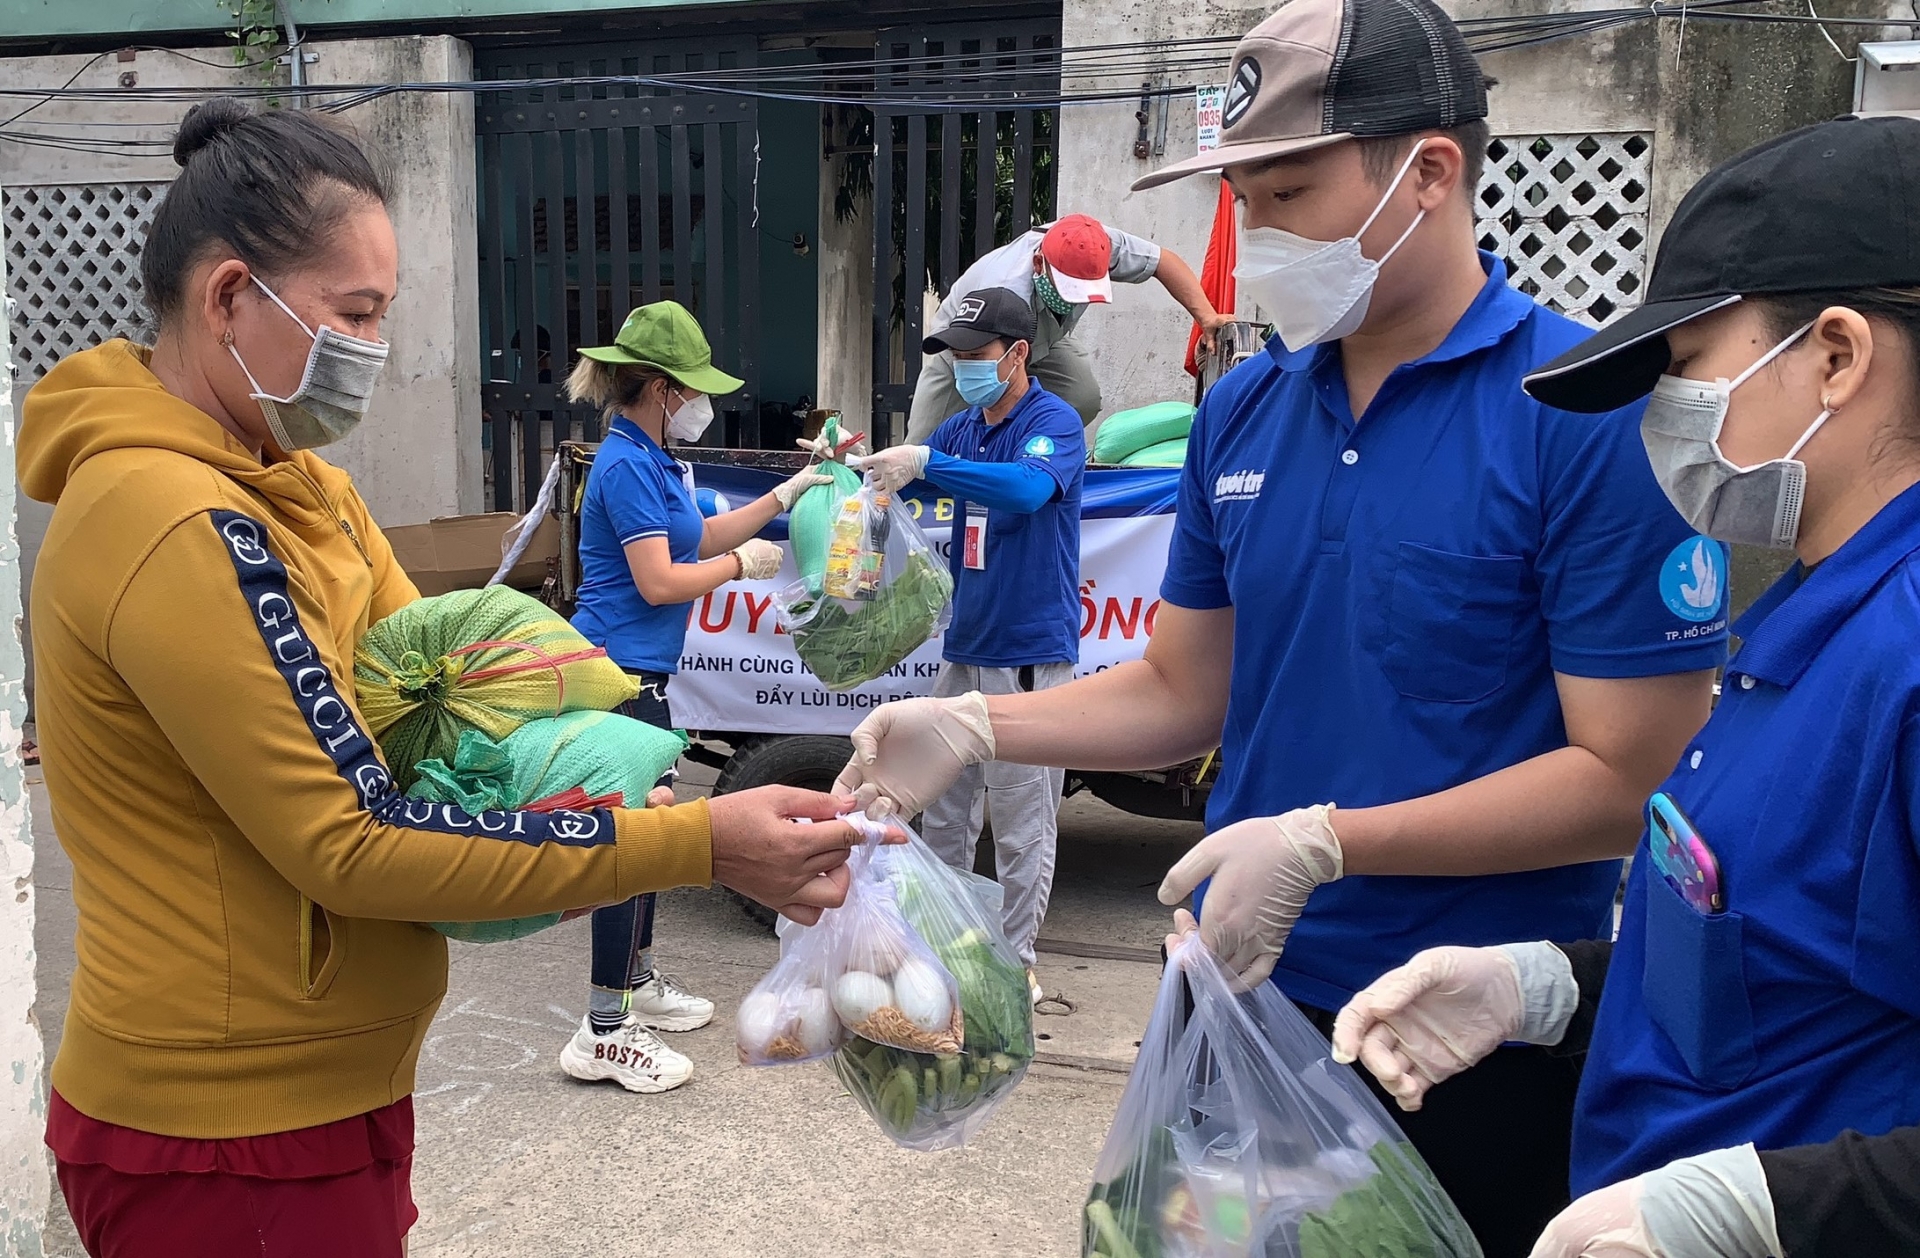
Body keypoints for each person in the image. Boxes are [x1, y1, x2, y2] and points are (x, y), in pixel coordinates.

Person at [833, 1, 1728, 1251]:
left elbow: (1630, 778)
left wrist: (1326, 843)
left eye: (1286, 192)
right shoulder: (1245, 410)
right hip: (1235, 991)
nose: (1253, 235)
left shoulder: (1576, 417)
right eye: (1242, 197)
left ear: (1429, 173)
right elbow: (1182, 686)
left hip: (1455, 1026)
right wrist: (976, 719)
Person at [24, 98, 857, 1258]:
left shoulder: (304, 490)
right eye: (354, 314)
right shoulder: (171, 522)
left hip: (328, 1095)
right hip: (225, 1137)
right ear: (228, 299)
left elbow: (448, 728)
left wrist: (609, 803)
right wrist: (698, 842)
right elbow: (352, 835)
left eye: (383, 314)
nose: (375, 349)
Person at [1332, 114, 1920, 1258]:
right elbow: (1785, 971)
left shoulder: (1903, 654)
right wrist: (1548, 989)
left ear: (1838, 356)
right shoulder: (1805, 610)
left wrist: (1762, 1214)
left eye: (1690, 367)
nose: (1669, 417)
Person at [561, 300, 830, 1092]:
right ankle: (603, 1028)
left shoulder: (649, 458)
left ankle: (637, 981)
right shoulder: (623, 464)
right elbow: (662, 579)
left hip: (645, 674)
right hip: (616, 675)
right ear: (662, 389)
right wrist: (737, 571)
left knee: (652, 825)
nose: (703, 406)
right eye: (694, 389)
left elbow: (699, 539)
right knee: (634, 840)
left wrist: (788, 494)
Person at [851, 287, 1086, 1003]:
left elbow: (1025, 491)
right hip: (967, 645)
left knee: (1021, 820)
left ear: (1017, 354)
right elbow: (914, 489)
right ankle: (946, 940)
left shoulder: (1054, 421)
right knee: (944, 808)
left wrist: (925, 461)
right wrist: (863, 478)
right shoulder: (963, 429)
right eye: (953, 355)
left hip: (1027, 652)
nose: (961, 367)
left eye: (975, 355)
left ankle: (1015, 961)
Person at [905, 213, 1231, 441]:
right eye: (1067, 289)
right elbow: (1001, 382)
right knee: (923, 445)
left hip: (1042, 336)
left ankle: (1034, 460)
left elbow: (1163, 262)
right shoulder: (1005, 286)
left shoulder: (1096, 244)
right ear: (1038, 265)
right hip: (971, 347)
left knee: (1081, 397)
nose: (1073, 301)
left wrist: (1206, 317)